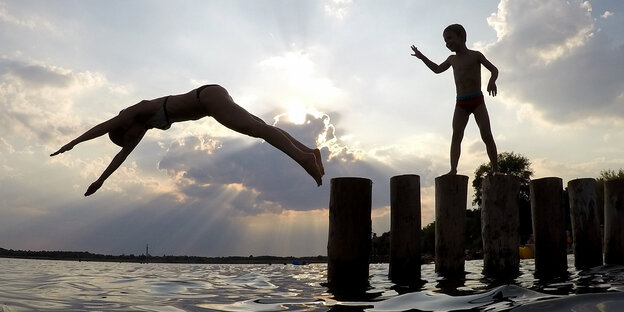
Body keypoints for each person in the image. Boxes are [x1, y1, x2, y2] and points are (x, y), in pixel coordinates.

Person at [50, 84, 325, 196]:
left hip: (207, 99)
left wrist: (73, 143)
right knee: (261, 126)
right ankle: (309, 151)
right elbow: (120, 158)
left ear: (124, 129)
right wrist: (101, 180)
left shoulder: (137, 111)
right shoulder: (144, 127)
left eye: (127, 138)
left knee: (256, 130)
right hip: (210, 98)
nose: (132, 141)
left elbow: (103, 126)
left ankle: (303, 159)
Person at [411, 24, 499, 175]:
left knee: (486, 135)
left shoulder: (475, 55)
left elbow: (494, 69)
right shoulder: (452, 59)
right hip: (461, 103)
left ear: (462, 37)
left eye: (450, 38)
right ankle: (453, 170)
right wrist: (422, 57)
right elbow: (437, 69)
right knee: (456, 136)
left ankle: (496, 169)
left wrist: (492, 81)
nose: (447, 43)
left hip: (477, 100)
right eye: (445, 41)